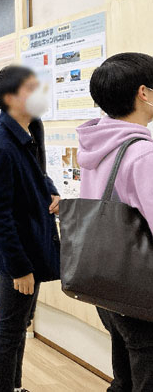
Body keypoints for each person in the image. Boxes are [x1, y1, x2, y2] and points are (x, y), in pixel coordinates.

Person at [77, 52, 153, 391]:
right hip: (141, 289)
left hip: (108, 283)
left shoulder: (99, 143)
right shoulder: (143, 153)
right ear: (144, 93)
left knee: (124, 377)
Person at [0, 65, 60, 392]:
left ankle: (14, 386)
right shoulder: (0, 145)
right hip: (18, 255)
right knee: (9, 330)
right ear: (12, 98)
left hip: (35, 245)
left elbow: (37, 174)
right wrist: (19, 268)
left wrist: (50, 189)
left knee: (19, 325)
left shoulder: (32, 129)